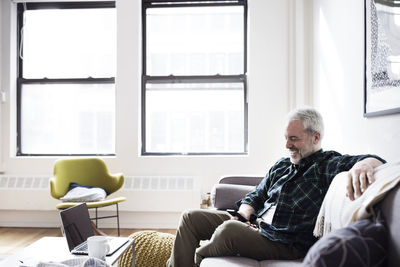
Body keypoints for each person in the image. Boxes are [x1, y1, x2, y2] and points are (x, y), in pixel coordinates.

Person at [166, 107, 385, 267]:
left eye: (294, 139)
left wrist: (364, 164)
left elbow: (374, 159)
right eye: (286, 138)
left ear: (315, 137)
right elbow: (256, 195)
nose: (287, 145)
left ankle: (196, 258)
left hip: (284, 242)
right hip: (255, 226)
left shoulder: (327, 165)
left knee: (228, 231)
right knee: (190, 217)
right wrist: (243, 216)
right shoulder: (282, 165)